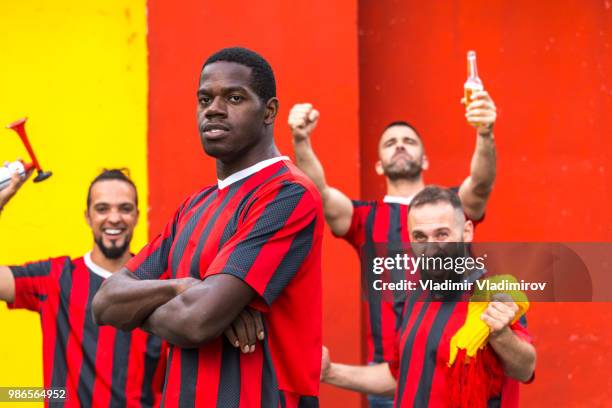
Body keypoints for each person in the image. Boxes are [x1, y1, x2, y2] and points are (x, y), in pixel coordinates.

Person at [92, 47, 324, 408]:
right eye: (204, 99)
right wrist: (184, 287)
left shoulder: (287, 194)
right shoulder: (194, 206)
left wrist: (155, 308)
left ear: (269, 111)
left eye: (234, 97)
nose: (213, 109)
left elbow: (195, 321)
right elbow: (105, 304)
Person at [289, 94, 497, 407]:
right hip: (385, 376)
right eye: (390, 143)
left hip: (454, 363)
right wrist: (301, 140)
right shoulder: (365, 218)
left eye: (409, 141)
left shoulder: (452, 209)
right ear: (379, 165)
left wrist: (485, 133)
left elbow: (481, 184)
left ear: (425, 160)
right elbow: (319, 193)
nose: (400, 145)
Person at [320, 186, 536, 408]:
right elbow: (400, 376)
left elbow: (525, 369)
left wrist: (500, 334)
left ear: (467, 232)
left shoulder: (493, 294)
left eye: (442, 234)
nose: (431, 247)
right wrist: (330, 372)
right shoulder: (417, 296)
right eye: (420, 236)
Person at [0, 168, 168, 407]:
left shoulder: (159, 285)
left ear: (137, 216)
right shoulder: (57, 277)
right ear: (87, 216)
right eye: (102, 209)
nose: (114, 218)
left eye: (125, 208)